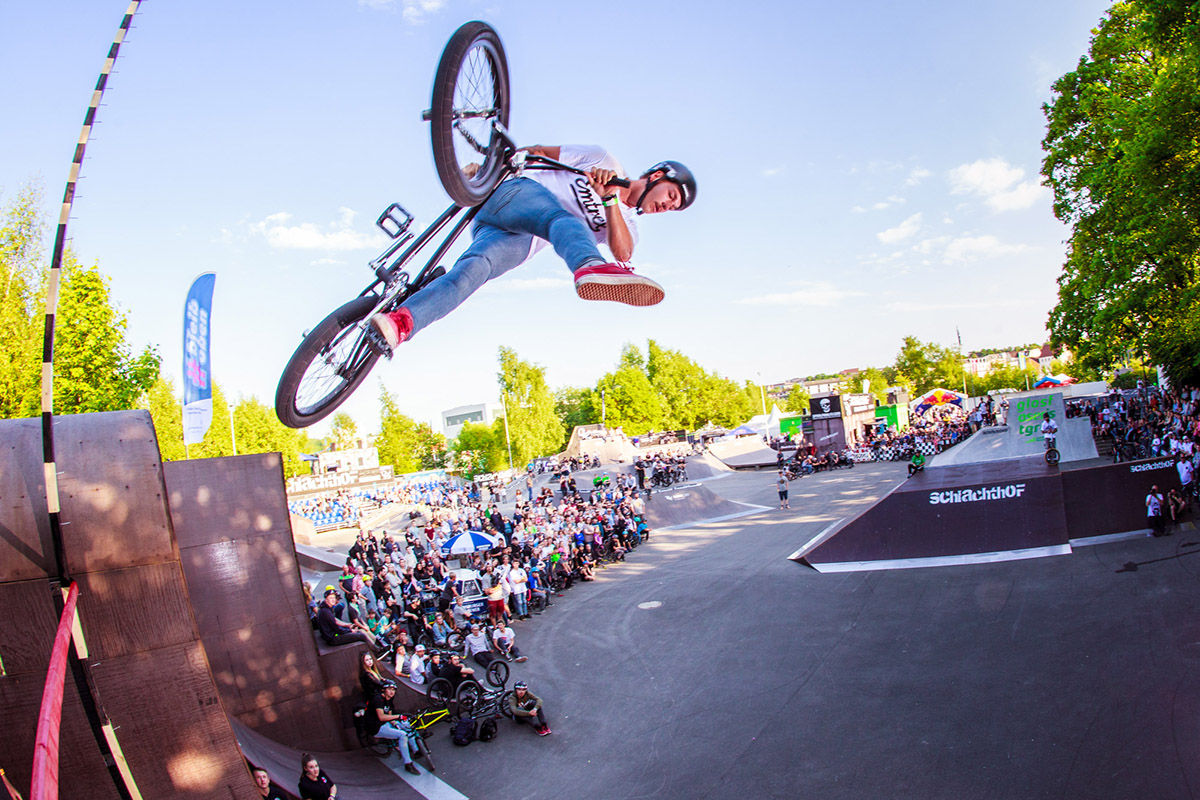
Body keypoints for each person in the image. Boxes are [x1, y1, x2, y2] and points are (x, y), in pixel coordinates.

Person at [370, 148, 696, 350]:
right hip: (516, 193)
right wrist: (485, 170)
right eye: (671, 197)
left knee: (472, 272)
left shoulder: (629, 225)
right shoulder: (603, 158)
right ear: (656, 176)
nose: (668, 206)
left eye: (674, 208)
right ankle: (588, 265)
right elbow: (536, 151)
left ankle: (401, 322)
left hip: (519, 238)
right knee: (564, 221)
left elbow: (623, 253)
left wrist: (609, 198)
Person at [365, 682, 423, 775]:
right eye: (389, 689)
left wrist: (397, 723)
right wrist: (398, 717)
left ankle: (416, 750)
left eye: (394, 690)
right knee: (402, 735)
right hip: (376, 727)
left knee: (406, 725)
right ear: (383, 690)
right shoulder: (378, 699)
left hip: (385, 723)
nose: (392, 692)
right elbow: (382, 717)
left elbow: (390, 715)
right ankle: (408, 764)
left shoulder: (389, 699)